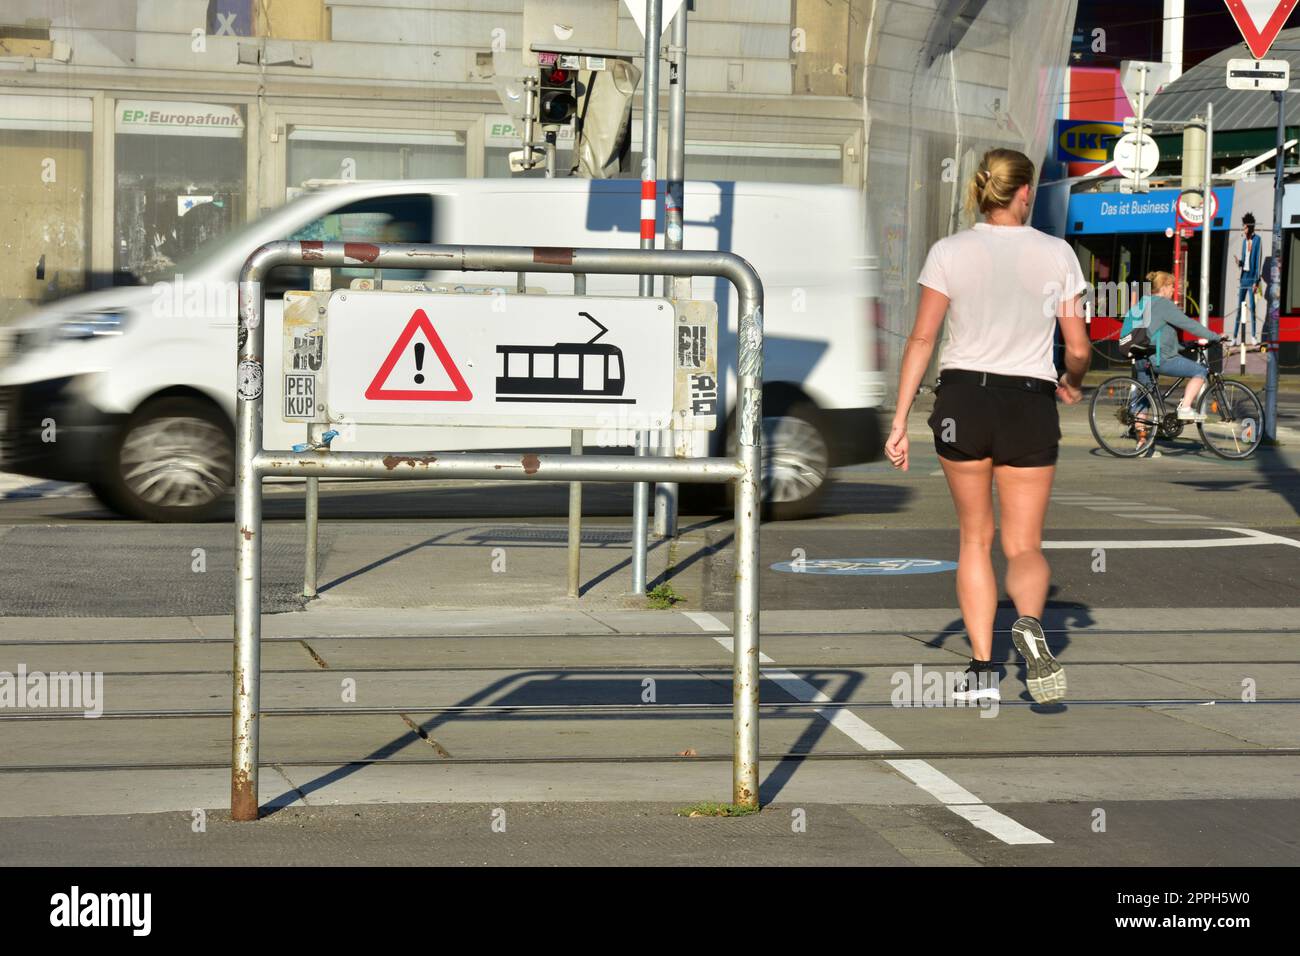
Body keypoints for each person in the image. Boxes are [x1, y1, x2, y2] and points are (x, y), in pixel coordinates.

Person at [884, 148, 1090, 705]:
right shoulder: (1057, 254)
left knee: (976, 538)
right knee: (1024, 544)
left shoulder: (949, 251)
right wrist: (1070, 380)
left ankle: (981, 672)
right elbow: (1077, 346)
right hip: (1029, 400)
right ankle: (1027, 622)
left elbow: (923, 340)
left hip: (962, 400)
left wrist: (900, 419)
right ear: (1025, 193)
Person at [1132, 270, 1222, 421]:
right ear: (1164, 287)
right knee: (1201, 371)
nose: (1173, 290)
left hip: (1141, 357)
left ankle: (1142, 440)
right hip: (1159, 358)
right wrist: (1215, 336)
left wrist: (1182, 346)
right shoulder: (1164, 305)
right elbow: (1188, 324)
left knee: (1144, 399)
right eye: (1172, 286)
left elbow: (1157, 332)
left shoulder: (1144, 302)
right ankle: (1185, 408)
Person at [1234, 213, 1262, 346]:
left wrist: (1257, 281)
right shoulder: (1244, 241)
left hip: (1252, 279)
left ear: (1250, 227)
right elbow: (1245, 260)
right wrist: (1239, 262)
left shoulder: (1257, 240)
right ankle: (1234, 337)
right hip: (1243, 278)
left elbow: (1257, 261)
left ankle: (1253, 336)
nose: (1243, 229)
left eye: (1245, 227)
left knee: (1253, 307)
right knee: (1239, 308)